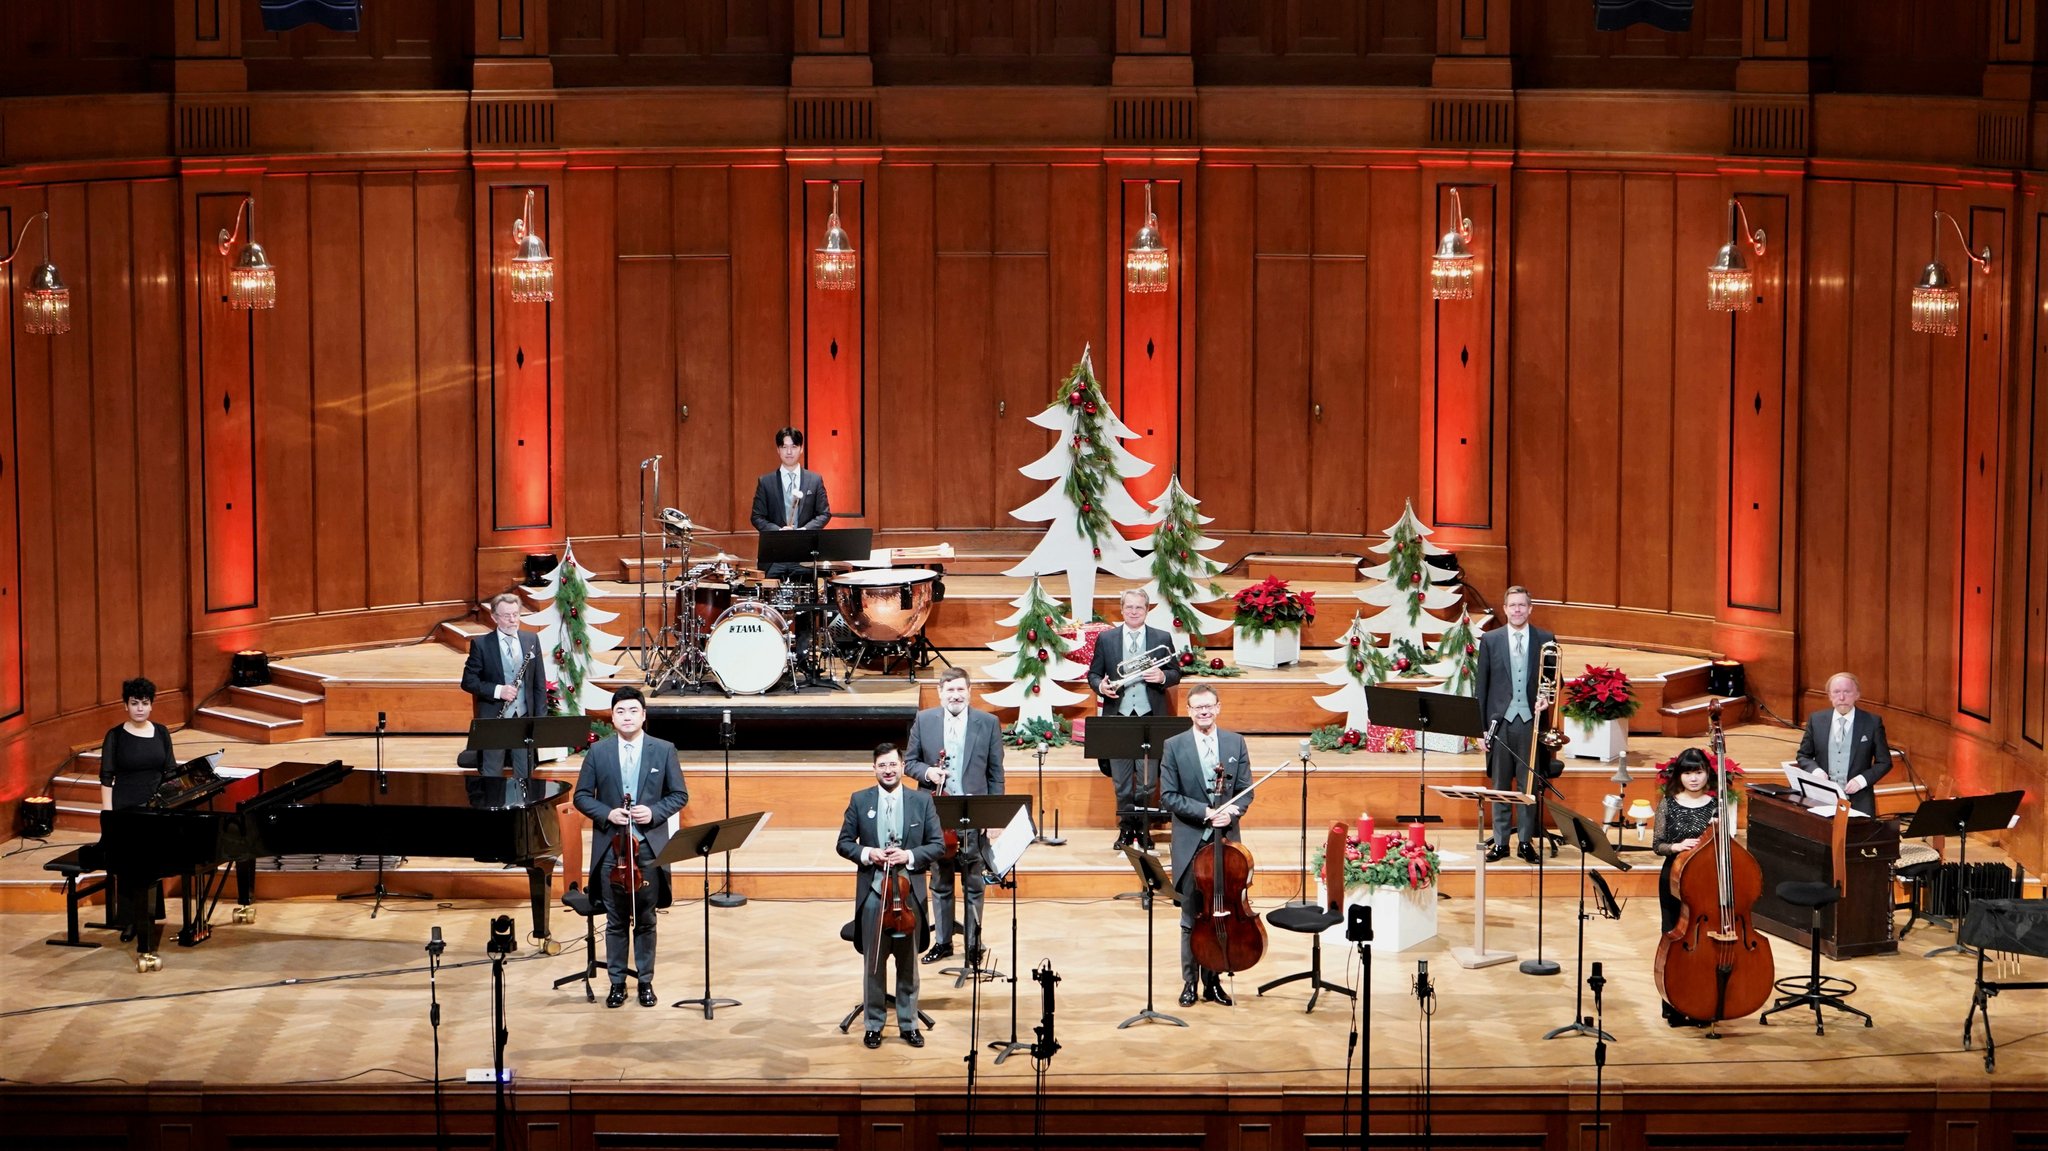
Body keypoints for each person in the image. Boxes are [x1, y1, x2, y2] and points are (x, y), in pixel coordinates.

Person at [573, 686, 690, 1008]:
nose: (627, 717)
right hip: (612, 848)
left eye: (633, 711)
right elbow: (581, 796)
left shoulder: (664, 750)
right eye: (620, 711)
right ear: (612, 717)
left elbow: (679, 795)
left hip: (649, 848)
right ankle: (616, 983)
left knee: (646, 918)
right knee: (615, 920)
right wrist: (607, 812)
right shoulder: (598, 752)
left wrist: (654, 812)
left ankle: (646, 982)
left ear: (644, 716)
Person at [836, 742, 945, 1049]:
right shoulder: (860, 800)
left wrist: (908, 855)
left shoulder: (921, 801)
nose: (888, 770)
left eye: (893, 765)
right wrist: (869, 853)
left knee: (908, 962)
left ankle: (909, 1023)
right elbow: (844, 843)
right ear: (874, 769)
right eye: (882, 765)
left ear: (902, 766)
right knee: (874, 962)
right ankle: (873, 1023)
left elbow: (936, 845)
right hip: (874, 892)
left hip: (909, 894)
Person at [1157, 684, 1253, 1008]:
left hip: (1225, 846)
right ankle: (1190, 984)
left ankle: (1214, 983)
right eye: (1197, 708)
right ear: (1189, 710)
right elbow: (1168, 796)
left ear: (1218, 707)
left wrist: (1233, 811)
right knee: (1190, 919)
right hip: (1190, 843)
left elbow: (1245, 790)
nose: (1204, 712)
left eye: (1209, 706)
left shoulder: (1235, 742)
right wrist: (1206, 812)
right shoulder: (1174, 746)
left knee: (1219, 916)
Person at [904, 666, 1006, 966]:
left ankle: (974, 945)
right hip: (937, 814)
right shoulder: (924, 720)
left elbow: (995, 773)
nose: (956, 695)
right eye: (950, 690)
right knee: (940, 881)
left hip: (973, 813)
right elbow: (909, 762)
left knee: (974, 882)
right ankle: (943, 941)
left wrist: (994, 816)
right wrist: (927, 771)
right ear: (940, 692)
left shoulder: (988, 722)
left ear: (969, 691)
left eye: (961, 689)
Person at [1086, 588, 1182, 851]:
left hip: (1150, 718)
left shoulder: (1161, 637)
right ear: (1121, 608)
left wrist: (1163, 677)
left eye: (1139, 607)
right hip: (1118, 718)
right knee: (1121, 782)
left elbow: (1175, 672)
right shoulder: (1107, 639)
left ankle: (1143, 829)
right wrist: (1100, 687)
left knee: (1148, 781)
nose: (1133, 612)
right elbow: (1093, 674)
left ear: (1147, 609)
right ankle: (1126, 830)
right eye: (1129, 607)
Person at [1473, 585, 1556, 863]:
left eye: (1522, 605)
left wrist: (1546, 699)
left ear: (1530, 609)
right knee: (1500, 786)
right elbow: (1481, 687)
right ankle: (1500, 843)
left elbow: (1554, 680)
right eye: (1513, 605)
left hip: (1531, 723)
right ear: (1505, 609)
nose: (1518, 610)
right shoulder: (1491, 640)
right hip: (1500, 723)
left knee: (1528, 787)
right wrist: (1480, 729)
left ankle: (1525, 842)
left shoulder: (1546, 638)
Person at [99, 677, 176, 942]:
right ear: (126, 706)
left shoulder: (162, 733)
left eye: (144, 703)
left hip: (155, 811)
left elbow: (171, 773)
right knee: (129, 867)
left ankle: (150, 917)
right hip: (126, 811)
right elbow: (107, 777)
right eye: (134, 703)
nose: (140, 708)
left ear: (152, 705)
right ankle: (131, 921)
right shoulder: (115, 736)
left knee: (152, 867)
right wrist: (108, 816)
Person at [1652, 746, 1719, 1027]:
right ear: (1679, 775)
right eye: (1688, 772)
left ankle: (1702, 1003)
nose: (1693, 778)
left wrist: (1719, 832)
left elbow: (1728, 845)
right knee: (1675, 940)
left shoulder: (1716, 805)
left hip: (1708, 881)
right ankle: (1674, 1006)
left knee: (1704, 944)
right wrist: (1677, 846)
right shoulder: (1669, 803)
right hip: (1674, 879)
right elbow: (1657, 845)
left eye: (1699, 772)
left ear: (1707, 774)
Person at [459, 593, 546, 779]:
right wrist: (499, 691)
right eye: (507, 615)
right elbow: (468, 681)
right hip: (495, 719)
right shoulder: (481, 644)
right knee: (492, 775)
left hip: (523, 718)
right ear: (494, 617)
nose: (513, 620)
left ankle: (522, 808)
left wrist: (540, 721)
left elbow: (538, 684)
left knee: (525, 775)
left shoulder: (531, 640)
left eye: (516, 614)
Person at [1794, 672, 1892, 817]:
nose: (1842, 698)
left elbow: (1884, 762)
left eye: (1847, 692)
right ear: (1830, 695)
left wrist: (1861, 780)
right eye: (1837, 692)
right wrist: (1816, 772)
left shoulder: (1872, 722)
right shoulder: (1816, 720)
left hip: (1859, 800)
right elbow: (1803, 755)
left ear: (1857, 694)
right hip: (1822, 797)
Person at [749, 426, 831, 584]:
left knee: (807, 603)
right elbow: (757, 517)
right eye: (784, 447)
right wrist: (779, 531)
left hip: (805, 556)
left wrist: (804, 531)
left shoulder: (814, 480)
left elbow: (824, 514)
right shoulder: (766, 482)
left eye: (794, 447)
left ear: (801, 449)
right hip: (774, 556)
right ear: (778, 450)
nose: (789, 452)